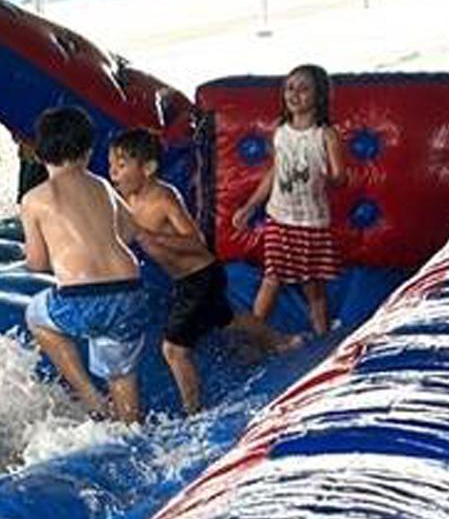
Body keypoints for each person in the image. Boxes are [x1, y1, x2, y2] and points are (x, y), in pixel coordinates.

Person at [109, 128, 300, 415]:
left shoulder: (164, 197)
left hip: (201, 276)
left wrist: (151, 236)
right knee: (226, 318)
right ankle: (281, 340)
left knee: (174, 350)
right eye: (112, 165)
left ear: (148, 168)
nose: (113, 173)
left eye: (121, 166)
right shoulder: (124, 200)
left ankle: (194, 412)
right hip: (184, 281)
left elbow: (196, 242)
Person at [21, 106, 149, 424]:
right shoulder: (103, 186)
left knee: (36, 315)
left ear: (39, 153)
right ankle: (132, 429)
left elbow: (36, 263)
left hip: (82, 297)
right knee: (121, 374)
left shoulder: (35, 198)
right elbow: (132, 230)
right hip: (129, 290)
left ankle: (90, 396)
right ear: (89, 151)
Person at [232, 64, 345, 336]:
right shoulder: (281, 131)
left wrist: (328, 176)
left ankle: (322, 335)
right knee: (271, 278)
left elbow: (340, 177)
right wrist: (250, 207)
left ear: (318, 96)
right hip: (279, 217)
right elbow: (275, 172)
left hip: (311, 223)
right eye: (289, 88)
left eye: (303, 88)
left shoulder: (326, 135)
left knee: (312, 286)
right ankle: (254, 337)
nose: (294, 94)